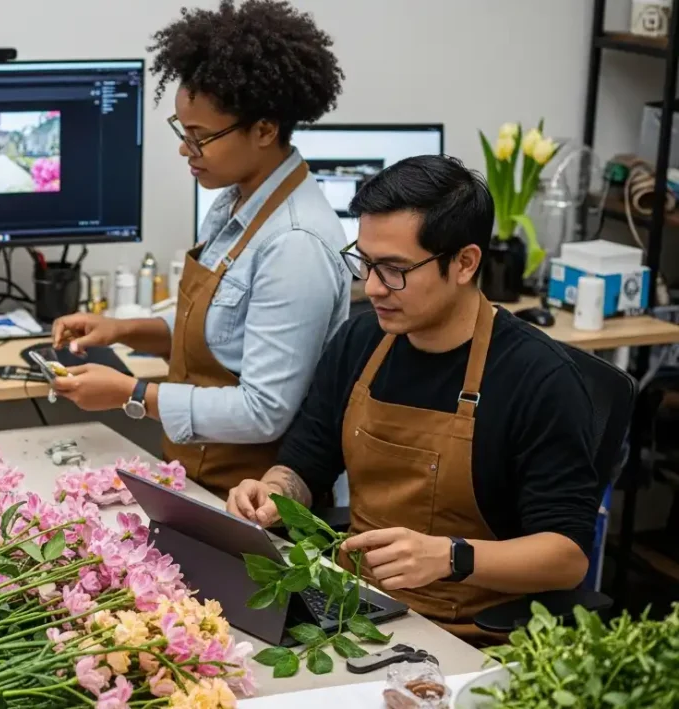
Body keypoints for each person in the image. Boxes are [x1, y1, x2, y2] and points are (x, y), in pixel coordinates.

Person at [226, 156, 602, 644]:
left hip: (467, 632)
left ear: (465, 262)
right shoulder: (361, 340)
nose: (375, 286)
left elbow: (567, 558)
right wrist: (274, 493)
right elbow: (306, 463)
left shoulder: (538, 378)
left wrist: (449, 556)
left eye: (395, 269)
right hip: (354, 608)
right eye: (365, 262)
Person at [50, 0, 351, 496]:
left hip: (254, 501)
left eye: (200, 136)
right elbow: (220, 329)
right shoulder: (235, 199)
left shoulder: (296, 244)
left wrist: (133, 394)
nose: (185, 149)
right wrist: (124, 330)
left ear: (264, 129)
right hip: (199, 478)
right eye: (181, 132)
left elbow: (263, 412)